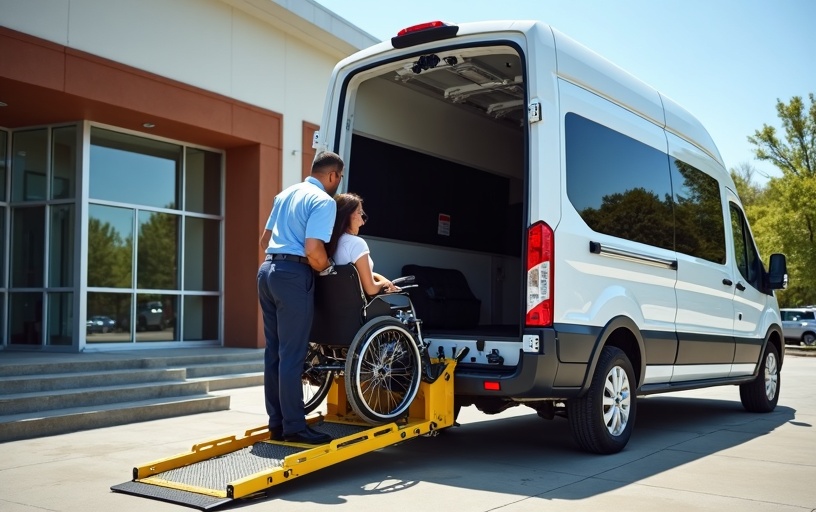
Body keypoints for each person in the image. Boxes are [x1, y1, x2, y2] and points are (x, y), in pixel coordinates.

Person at [257, 151, 344, 445]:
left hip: (267, 271)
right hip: (293, 275)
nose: (338, 183)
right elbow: (313, 249)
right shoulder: (323, 201)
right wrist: (328, 269)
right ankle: (295, 427)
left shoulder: (285, 194)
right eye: (339, 178)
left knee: (275, 353)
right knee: (293, 354)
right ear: (332, 175)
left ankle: (277, 423)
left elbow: (263, 241)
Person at [325, 193, 400, 296]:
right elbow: (371, 289)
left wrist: (381, 279)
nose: (362, 222)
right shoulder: (356, 243)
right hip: (355, 308)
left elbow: (355, 275)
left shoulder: (328, 242)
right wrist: (386, 283)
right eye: (360, 213)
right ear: (347, 216)